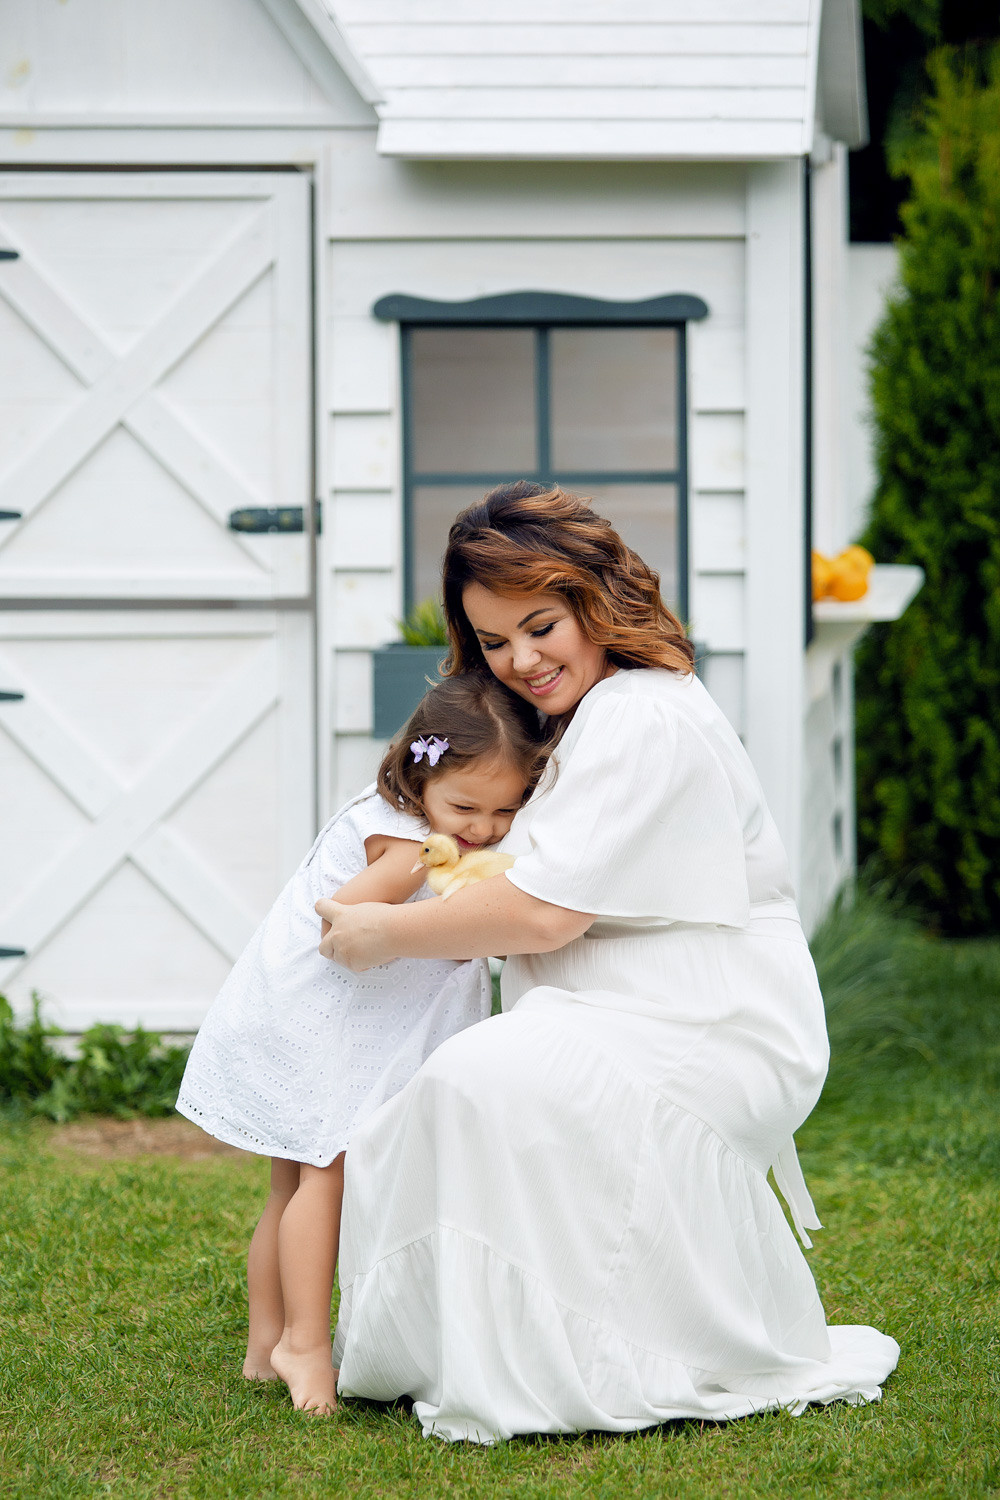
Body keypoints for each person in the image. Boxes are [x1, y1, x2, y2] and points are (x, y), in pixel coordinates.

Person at [317, 482, 900, 1443]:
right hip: (618, 1008)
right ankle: (464, 1344)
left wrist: (381, 934)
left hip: (703, 1018)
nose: (521, 660)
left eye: (539, 626)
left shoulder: (642, 713)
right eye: (493, 641)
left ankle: (565, 1359)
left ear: (595, 598)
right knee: (446, 1090)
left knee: (478, 1076)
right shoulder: (580, 716)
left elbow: (544, 912)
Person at [176, 671, 544, 1416]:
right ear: (420, 772)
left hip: (307, 1015)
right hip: (327, 1020)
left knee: (292, 1184)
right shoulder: (410, 847)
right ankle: (305, 1345)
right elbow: (343, 919)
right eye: (466, 806)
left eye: (508, 810)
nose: (485, 827)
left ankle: (265, 1343)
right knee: (330, 1173)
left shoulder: (412, 820)